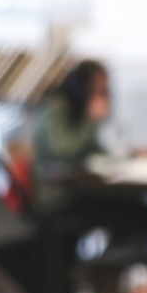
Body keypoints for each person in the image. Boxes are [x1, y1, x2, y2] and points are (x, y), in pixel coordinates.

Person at [32, 60, 111, 214]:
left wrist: (127, 157)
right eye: (97, 89)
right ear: (83, 84)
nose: (101, 95)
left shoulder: (79, 109)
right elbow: (64, 150)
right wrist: (91, 119)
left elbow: (94, 149)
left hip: (79, 190)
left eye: (104, 90)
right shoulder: (55, 106)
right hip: (55, 195)